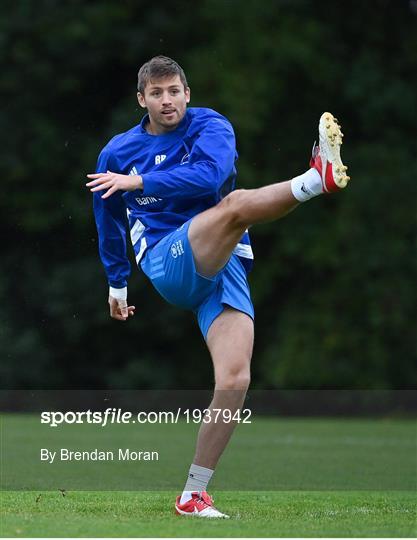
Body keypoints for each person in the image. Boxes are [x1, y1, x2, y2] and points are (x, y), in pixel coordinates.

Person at [86, 55, 350, 519]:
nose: (167, 101)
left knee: (234, 380)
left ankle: (193, 494)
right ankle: (314, 179)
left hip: (221, 259)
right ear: (141, 100)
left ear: (187, 93)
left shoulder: (212, 126)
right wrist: (118, 284)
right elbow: (106, 217)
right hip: (168, 258)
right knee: (235, 206)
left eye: (174, 91)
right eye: (157, 93)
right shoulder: (117, 152)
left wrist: (142, 180)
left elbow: (210, 174)